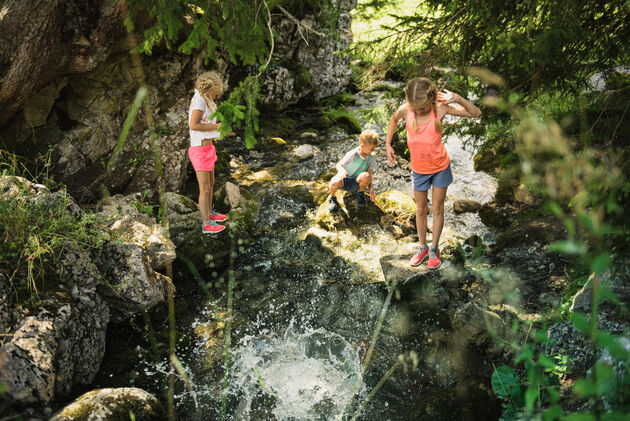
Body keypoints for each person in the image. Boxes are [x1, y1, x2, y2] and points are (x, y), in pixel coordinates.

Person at [385, 77, 481, 269]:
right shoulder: (407, 110)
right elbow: (394, 119)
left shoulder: (440, 109)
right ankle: (422, 247)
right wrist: (388, 143)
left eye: (421, 109)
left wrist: (458, 98)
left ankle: (434, 249)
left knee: (437, 209)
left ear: (430, 100)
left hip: (440, 169)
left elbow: (476, 113)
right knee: (420, 209)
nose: (418, 112)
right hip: (419, 170)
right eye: (415, 109)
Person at [188, 70, 232, 234]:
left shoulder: (204, 99)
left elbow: (206, 124)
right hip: (199, 150)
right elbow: (194, 125)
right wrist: (217, 127)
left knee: (211, 183)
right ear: (208, 88)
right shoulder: (199, 101)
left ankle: (210, 213)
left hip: (207, 148)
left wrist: (221, 130)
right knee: (204, 187)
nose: (216, 96)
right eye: (215, 93)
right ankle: (206, 223)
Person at [327, 129, 379, 212]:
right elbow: (338, 165)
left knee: (366, 176)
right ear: (362, 146)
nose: (373, 151)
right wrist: (341, 171)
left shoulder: (371, 156)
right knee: (334, 182)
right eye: (371, 149)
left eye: (374, 149)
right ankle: (332, 197)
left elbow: (369, 174)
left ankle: (360, 192)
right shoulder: (353, 154)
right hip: (344, 181)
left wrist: (371, 188)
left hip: (356, 183)